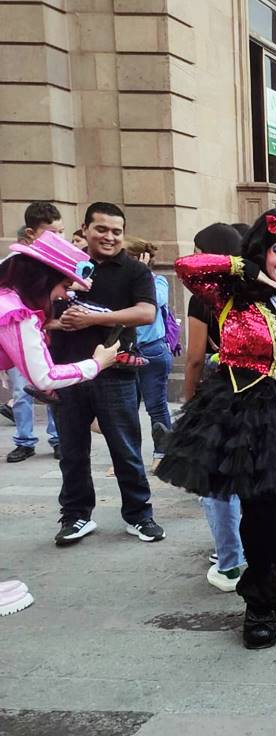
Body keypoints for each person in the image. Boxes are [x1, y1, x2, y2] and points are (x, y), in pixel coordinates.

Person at [157, 208, 276, 649]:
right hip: (244, 413)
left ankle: (272, 597)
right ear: (264, 251)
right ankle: (260, 605)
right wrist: (249, 267)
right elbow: (188, 266)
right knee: (259, 511)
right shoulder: (234, 296)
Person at [1, 231, 119, 616]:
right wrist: (98, 363)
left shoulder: (8, 301)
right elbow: (45, 377)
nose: (65, 294)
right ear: (43, 279)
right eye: (64, 284)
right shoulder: (14, 312)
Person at [52, 202, 164, 546]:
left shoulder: (134, 271)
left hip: (116, 371)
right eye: (101, 229)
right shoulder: (63, 266)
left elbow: (146, 313)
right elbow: (36, 310)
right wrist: (57, 322)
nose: (110, 237)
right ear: (85, 229)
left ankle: (139, 516)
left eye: (117, 231)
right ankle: (75, 516)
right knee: (72, 451)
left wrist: (92, 318)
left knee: (126, 448)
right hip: (68, 372)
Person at [180, 222, 247, 592]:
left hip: (219, 392)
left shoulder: (204, 296)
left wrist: (189, 403)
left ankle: (230, 563)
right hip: (258, 393)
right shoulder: (256, 290)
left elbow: (193, 358)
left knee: (215, 482)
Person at [6, 202, 64, 463]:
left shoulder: (59, 263)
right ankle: (25, 440)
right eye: (53, 233)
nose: (59, 239)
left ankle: (58, 438)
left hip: (50, 340)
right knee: (21, 392)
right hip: (20, 339)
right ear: (30, 233)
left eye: (62, 232)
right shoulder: (13, 265)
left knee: (51, 386)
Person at [122, 237, 174, 462]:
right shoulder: (117, 281)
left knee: (156, 405)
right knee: (126, 408)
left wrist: (141, 274)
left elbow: (155, 301)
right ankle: (128, 457)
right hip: (125, 353)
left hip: (152, 351)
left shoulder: (158, 281)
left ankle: (162, 454)